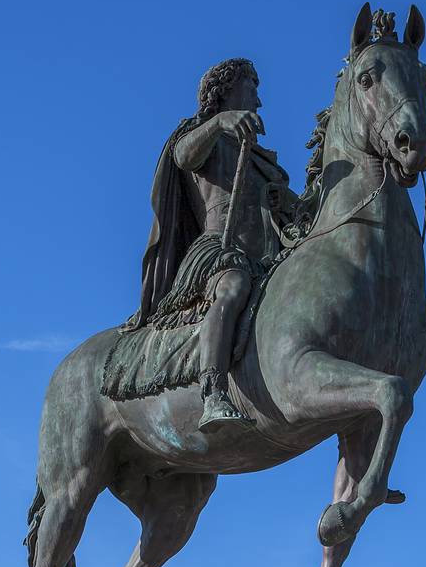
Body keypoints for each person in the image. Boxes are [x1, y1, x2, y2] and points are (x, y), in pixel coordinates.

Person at [124, 57, 298, 428]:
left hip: (266, 253)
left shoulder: (258, 156)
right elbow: (184, 157)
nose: (260, 101)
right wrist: (219, 123)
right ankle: (213, 391)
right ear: (227, 89)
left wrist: (285, 203)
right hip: (218, 248)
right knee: (232, 287)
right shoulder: (198, 133)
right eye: (253, 88)